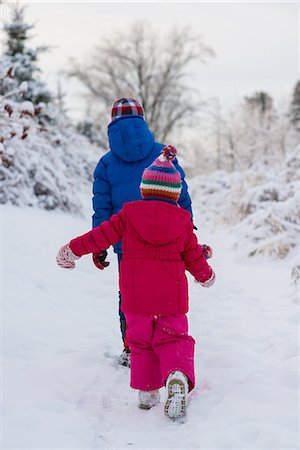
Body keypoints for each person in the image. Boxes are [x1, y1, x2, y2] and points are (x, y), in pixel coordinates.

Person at [57, 146, 215, 420]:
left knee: (141, 343)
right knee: (174, 339)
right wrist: (206, 275)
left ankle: (147, 393)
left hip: (135, 299)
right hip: (171, 300)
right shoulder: (183, 222)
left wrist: (71, 250)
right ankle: (176, 375)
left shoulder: (127, 216)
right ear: (176, 193)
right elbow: (192, 256)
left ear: (144, 189)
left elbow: (99, 236)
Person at [91, 98, 195, 367]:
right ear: (143, 121)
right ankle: (167, 343)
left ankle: (132, 348)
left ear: (112, 124)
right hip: (169, 241)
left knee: (130, 294)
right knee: (166, 291)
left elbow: (102, 205)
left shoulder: (106, 164)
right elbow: (180, 194)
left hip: (127, 243)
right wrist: (188, 228)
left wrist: (99, 244)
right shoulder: (164, 154)